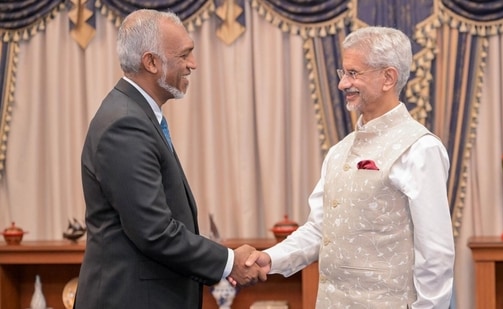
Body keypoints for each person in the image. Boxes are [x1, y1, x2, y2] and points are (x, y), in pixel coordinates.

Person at [245, 26, 455, 308]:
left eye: (353, 73)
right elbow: (320, 230)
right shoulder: (339, 151)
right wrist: (270, 258)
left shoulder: (420, 149)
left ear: (388, 78)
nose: (343, 84)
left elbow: (436, 255)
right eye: (343, 73)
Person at [75, 9, 265, 309]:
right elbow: (154, 231)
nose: (193, 64)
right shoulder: (125, 124)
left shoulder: (135, 113)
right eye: (184, 55)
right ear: (151, 62)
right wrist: (230, 261)